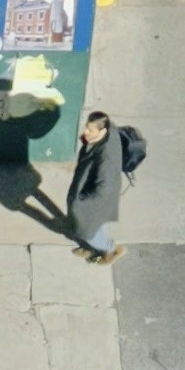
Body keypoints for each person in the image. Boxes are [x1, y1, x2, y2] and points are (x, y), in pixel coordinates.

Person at [66, 107, 143, 262]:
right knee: (95, 224)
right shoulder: (107, 130)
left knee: (88, 231)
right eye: (87, 128)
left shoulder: (105, 160)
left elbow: (103, 190)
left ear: (101, 131)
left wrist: (79, 201)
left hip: (95, 198)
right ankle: (94, 248)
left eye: (90, 130)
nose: (85, 132)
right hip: (93, 188)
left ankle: (111, 249)